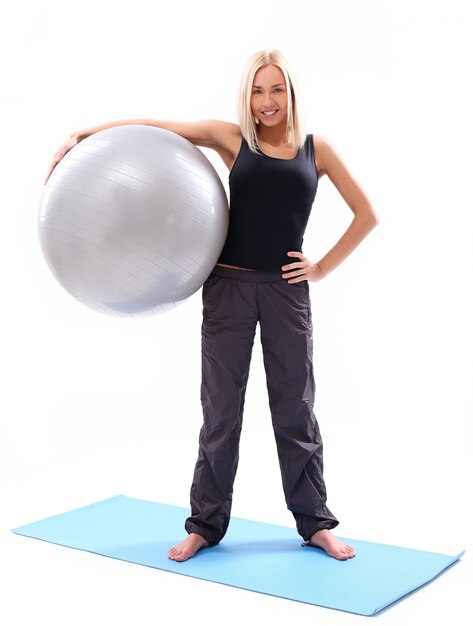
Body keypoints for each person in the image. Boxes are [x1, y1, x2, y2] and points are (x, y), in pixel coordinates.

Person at [46, 49, 378, 563]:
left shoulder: (318, 150)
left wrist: (320, 267)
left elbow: (366, 215)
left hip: (287, 294)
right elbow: (156, 127)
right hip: (228, 289)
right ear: (248, 95)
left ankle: (315, 524)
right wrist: (85, 134)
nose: (267, 101)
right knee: (220, 411)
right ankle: (205, 525)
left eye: (276, 90)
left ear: (290, 93)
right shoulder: (232, 139)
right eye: (257, 91)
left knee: (296, 410)